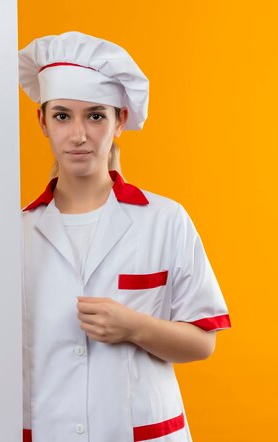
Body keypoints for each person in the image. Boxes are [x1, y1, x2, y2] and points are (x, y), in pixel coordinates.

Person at [19, 31, 231, 442]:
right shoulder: (17, 232)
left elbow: (203, 342)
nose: (79, 134)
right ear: (43, 121)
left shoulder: (165, 220)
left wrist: (133, 327)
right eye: (63, 115)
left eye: (96, 115)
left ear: (119, 122)